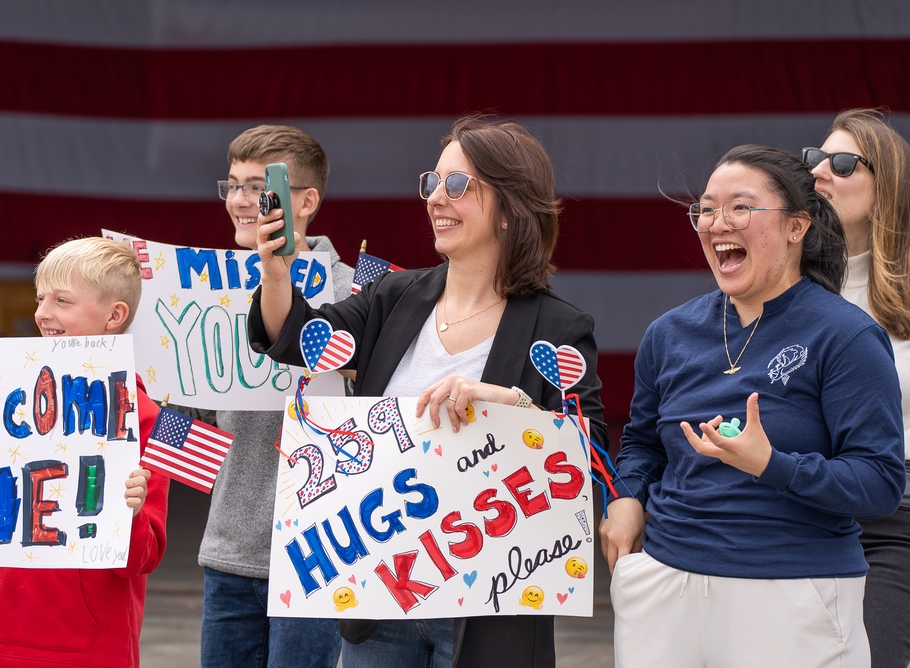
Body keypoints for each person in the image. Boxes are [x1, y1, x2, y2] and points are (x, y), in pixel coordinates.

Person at [249, 115, 608, 668]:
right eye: (432, 182)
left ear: (511, 208)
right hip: (381, 604)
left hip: (493, 613)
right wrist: (276, 276)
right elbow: (297, 340)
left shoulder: (558, 328)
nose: (436, 198)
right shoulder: (395, 297)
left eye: (458, 185)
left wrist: (510, 405)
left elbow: (592, 459)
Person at [599, 145, 906, 667]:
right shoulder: (668, 333)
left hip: (793, 594)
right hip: (664, 588)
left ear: (796, 227)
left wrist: (771, 465)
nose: (717, 223)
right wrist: (625, 498)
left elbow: (879, 483)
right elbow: (641, 444)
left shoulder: (847, 335)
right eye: (707, 209)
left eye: (740, 207)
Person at [0, 237, 170, 667]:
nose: (42, 312)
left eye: (62, 300)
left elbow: (144, 558)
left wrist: (129, 514)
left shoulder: (143, 417)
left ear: (115, 315)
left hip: (90, 647)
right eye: (41, 298)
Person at [197, 124, 352, 668]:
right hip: (231, 547)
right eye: (232, 185)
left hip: (323, 551)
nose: (240, 201)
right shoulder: (202, 291)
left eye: (257, 186)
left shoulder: (360, 292)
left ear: (305, 200)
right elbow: (186, 414)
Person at [804, 108, 910, 668]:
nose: (821, 171)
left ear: (886, 183)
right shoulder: (780, 286)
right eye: (815, 159)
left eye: (842, 163)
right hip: (799, 504)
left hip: (897, 515)